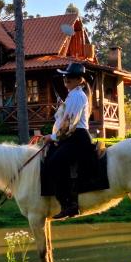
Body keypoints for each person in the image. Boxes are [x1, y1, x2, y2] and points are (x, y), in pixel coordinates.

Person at [42, 62, 94, 219]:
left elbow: (69, 124)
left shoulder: (78, 96)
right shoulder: (73, 95)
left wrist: (52, 137)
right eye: (65, 78)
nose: (66, 81)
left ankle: (69, 205)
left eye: (70, 78)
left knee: (55, 163)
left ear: (80, 80)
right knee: (49, 157)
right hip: (70, 137)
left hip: (77, 138)